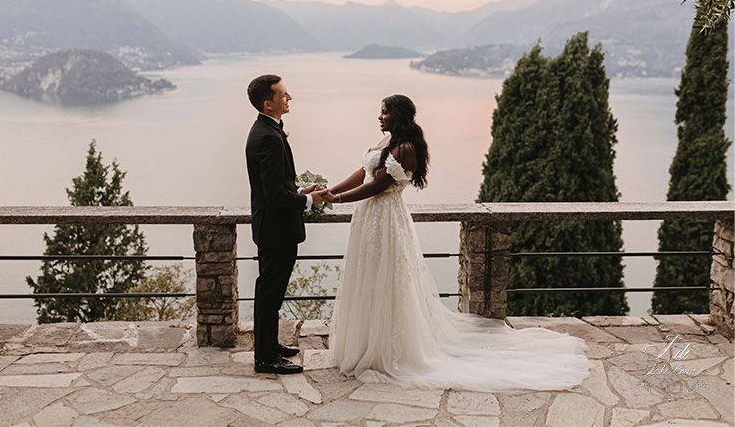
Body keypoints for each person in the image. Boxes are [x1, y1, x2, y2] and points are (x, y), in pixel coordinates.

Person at [323, 94, 590, 391]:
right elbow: (363, 173)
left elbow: (377, 185)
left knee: (386, 280)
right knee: (368, 278)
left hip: (385, 220)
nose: (379, 116)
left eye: (384, 112)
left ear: (397, 116)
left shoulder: (405, 149)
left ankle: (386, 348)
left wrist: (337, 200)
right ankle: (365, 342)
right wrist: (329, 191)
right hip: (368, 220)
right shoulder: (384, 143)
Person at [246, 74, 328, 375]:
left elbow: (278, 187)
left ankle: (269, 345)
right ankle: (265, 358)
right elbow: (274, 196)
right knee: (269, 293)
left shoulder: (266, 130)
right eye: (283, 95)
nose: (289, 97)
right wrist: (309, 201)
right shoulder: (267, 137)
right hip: (276, 229)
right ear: (268, 104)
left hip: (271, 228)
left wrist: (300, 191)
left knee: (271, 292)